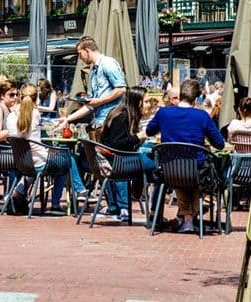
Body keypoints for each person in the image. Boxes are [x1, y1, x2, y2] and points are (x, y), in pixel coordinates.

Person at [145, 78, 225, 233]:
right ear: (196, 99)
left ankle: (186, 217)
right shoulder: (201, 116)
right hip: (197, 171)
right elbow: (220, 144)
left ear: (180, 95)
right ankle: (190, 217)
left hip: (169, 171)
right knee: (195, 170)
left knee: (181, 172)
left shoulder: (163, 113)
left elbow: (149, 131)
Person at [6, 83, 86, 213]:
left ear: (20, 96)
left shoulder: (11, 116)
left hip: (22, 161)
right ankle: (78, 191)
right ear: (36, 98)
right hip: (39, 161)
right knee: (67, 157)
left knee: (61, 162)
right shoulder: (35, 114)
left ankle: (18, 194)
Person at [99, 86, 156, 222]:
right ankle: (138, 204)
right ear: (138, 102)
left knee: (148, 158)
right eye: (146, 101)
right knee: (158, 164)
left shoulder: (122, 113)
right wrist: (139, 136)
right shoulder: (123, 117)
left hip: (112, 160)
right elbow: (117, 144)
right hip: (118, 161)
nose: (149, 104)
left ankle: (122, 203)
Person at [61, 37, 127, 133]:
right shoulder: (93, 71)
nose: (80, 58)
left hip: (112, 122)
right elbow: (91, 105)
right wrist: (68, 118)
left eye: (80, 54)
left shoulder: (107, 63)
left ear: (87, 50)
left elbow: (121, 89)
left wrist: (99, 101)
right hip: (99, 123)